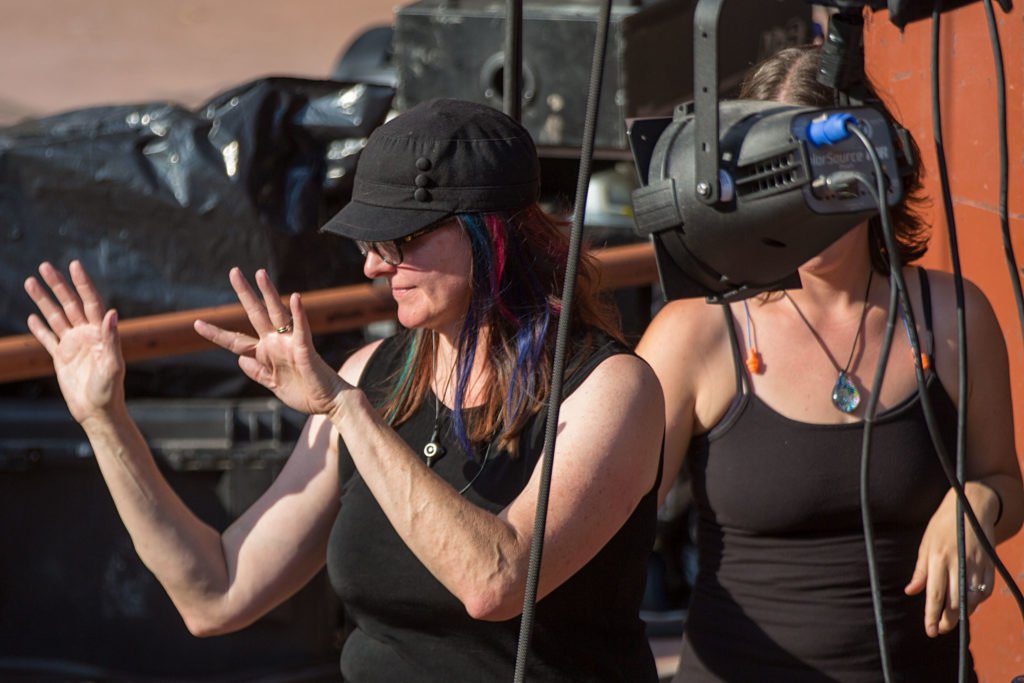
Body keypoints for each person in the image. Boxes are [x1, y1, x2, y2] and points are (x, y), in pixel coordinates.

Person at [23, 98, 665, 682]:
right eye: (370, 240)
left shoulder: (609, 388)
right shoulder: (371, 375)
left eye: (401, 239)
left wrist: (347, 411)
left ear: (490, 236)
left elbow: (496, 582)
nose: (374, 265)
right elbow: (216, 595)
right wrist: (105, 419)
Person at [636, 45, 1024, 682]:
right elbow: (608, 526)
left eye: (820, 173)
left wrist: (976, 503)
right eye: (775, 178)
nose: (802, 204)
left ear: (878, 166)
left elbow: (1005, 481)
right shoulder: (696, 334)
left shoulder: (954, 316)